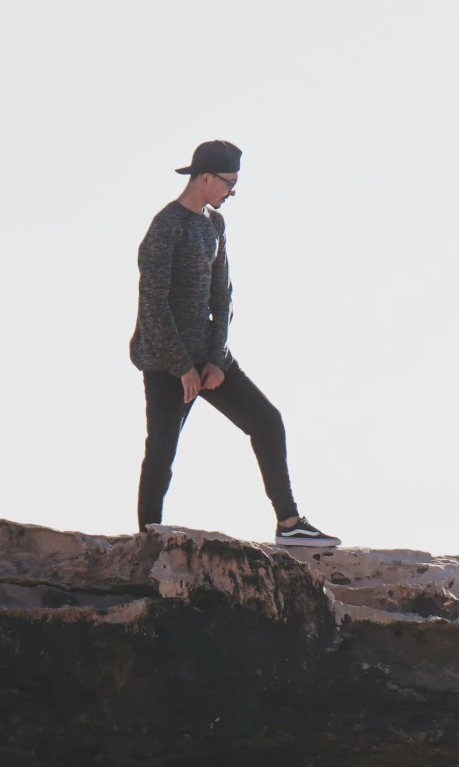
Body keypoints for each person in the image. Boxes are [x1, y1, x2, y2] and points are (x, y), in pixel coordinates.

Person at [131, 140, 339, 551]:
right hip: (167, 363)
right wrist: (182, 367)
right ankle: (146, 543)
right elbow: (153, 304)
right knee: (161, 453)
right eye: (228, 184)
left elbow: (222, 295)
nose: (231, 193)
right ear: (204, 178)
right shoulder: (165, 227)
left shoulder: (214, 225)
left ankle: (290, 523)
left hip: (210, 360)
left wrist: (215, 361)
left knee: (267, 421)